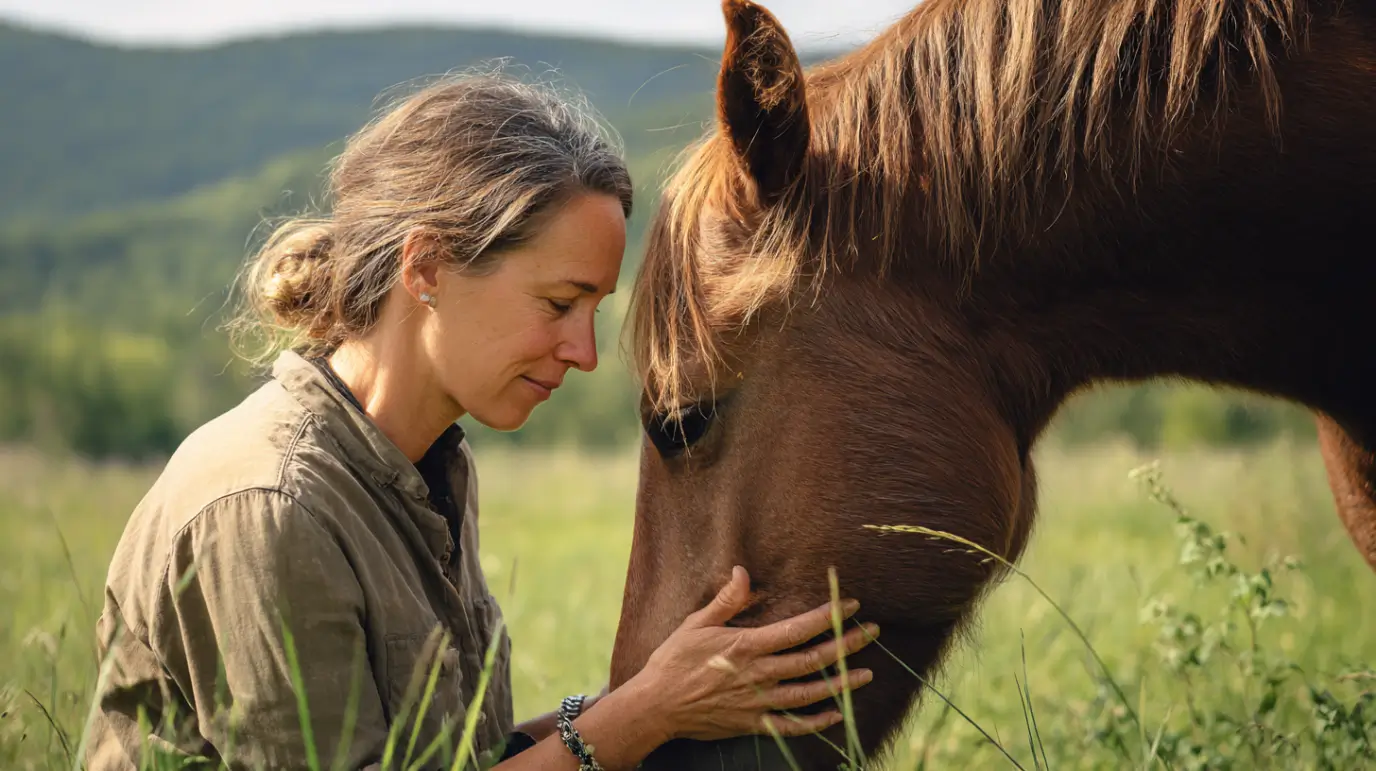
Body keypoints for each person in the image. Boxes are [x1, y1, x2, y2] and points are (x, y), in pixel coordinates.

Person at [86, 72, 880, 771]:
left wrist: (661, 692)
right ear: (426, 267)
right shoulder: (270, 506)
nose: (585, 353)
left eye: (596, 310)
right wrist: (644, 714)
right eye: (558, 303)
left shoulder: (427, 467)